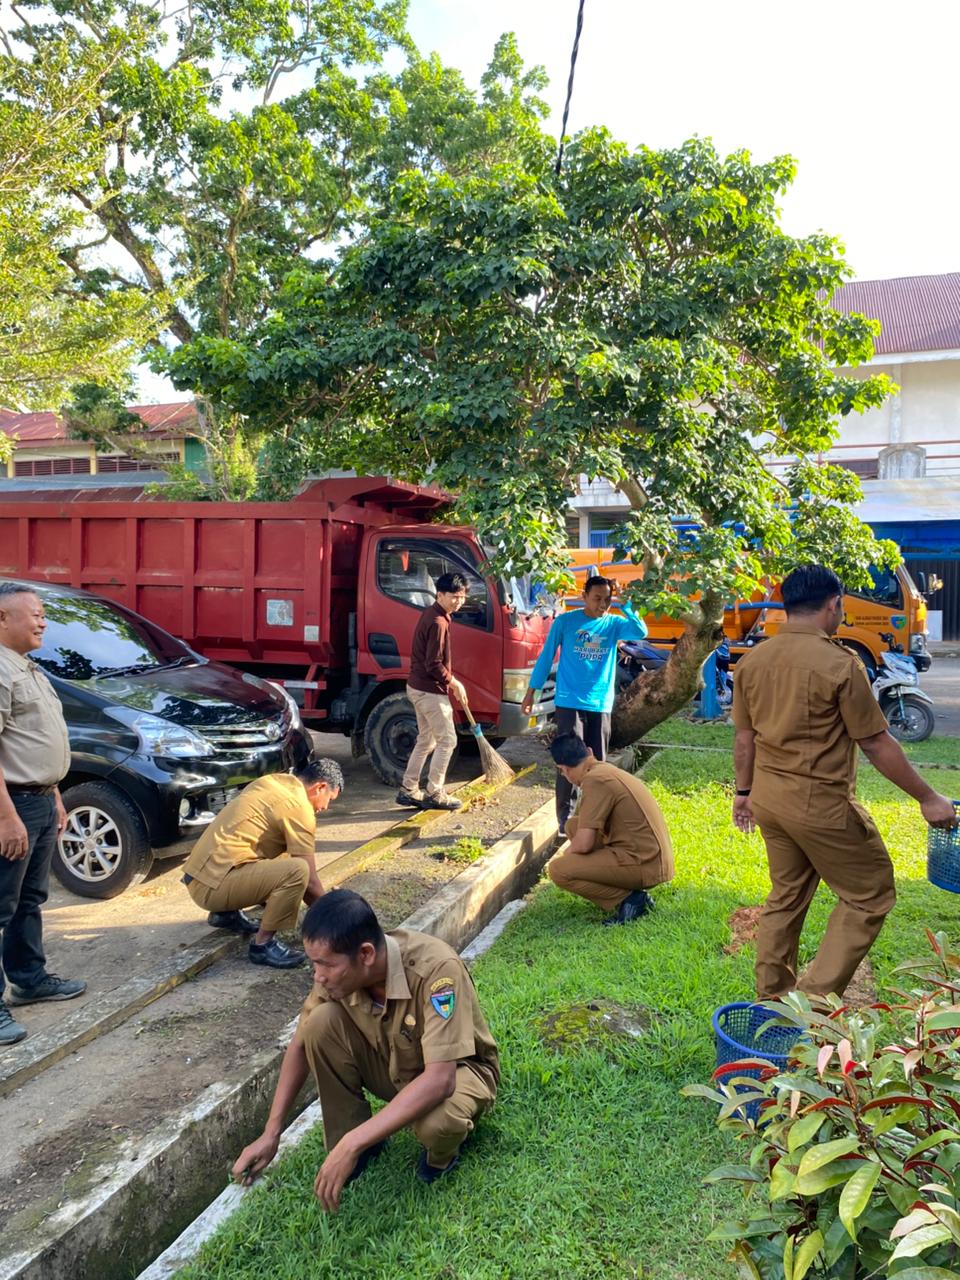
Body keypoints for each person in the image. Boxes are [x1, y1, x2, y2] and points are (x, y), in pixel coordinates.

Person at [732, 563, 957, 1000]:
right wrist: (928, 797)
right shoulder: (841, 663)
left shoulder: (752, 661)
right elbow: (875, 742)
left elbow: (745, 740)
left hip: (769, 800)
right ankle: (814, 1005)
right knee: (870, 893)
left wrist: (743, 794)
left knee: (786, 896)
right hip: (820, 804)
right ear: (833, 605)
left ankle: (773, 999)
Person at [232, 888, 499, 1210]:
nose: (318, 976)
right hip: (396, 1065)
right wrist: (271, 1132)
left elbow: (441, 1079)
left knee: (437, 1124)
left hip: (459, 1072)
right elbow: (301, 1045)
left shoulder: (436, 969)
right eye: (315, 965)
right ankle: (361, 1140)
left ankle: (439, 1158)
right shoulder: (337, 970)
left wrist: (350, 1143)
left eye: (325, 965)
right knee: (319, 1024)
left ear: (367, 954)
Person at [0, 582, 86, 1046]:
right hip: (10, 805)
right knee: (0, 905)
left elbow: (34, 742)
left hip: (37, 799)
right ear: (2, 619)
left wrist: (53, 794)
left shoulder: (26, 668)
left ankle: (29, 980)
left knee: (29, 900)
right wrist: (6, 818)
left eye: (42, 613)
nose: (42, 620)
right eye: (33, 613)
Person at [181, 757, 343, 969]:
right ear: (320, 787)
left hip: (201, 877)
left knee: (283, 853)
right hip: (211, 888)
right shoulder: (299, 807)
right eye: (329, 799)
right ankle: (263, 945)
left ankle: (226, 914)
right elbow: (309, 881)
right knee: (298, 870)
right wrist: (334, 916)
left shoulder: (274, 782)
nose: (325, 807)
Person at [521, 575, 648, 832]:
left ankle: (594, 816)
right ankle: (564, 819)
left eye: (607, 599)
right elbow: (546, 657)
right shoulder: (566, 622)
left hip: (600, 702)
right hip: (569, 700)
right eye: (597, 598)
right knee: (568, 759)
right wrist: (530, 692)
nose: (602, 604)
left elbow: (641, 631)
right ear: (584, 596)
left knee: (597, 762)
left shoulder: (613, 624)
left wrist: (626, 605)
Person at [547, 733, 674, 924]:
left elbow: (584, 844)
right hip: (649, 857)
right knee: (573, 825)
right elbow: (583, 829)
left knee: (559, 870)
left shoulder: (595, 780)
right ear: (589, 752)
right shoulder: (603, 770)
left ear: (563, 769)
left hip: (646, 864)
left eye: (563, 773)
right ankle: (625, 890)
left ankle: (630, 899)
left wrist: (567, 857)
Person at [396, 572, 470, 812]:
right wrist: (454, 683)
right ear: (440, 594)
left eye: (462, 597)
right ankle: (435, 793)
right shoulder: (438, 621)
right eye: (454, 597)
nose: (459, 601)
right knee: (448, 740)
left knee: (427, 739)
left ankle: (409, 789)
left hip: (417, 687)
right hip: (429, 691)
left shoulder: (435, 614)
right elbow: (434, 664)